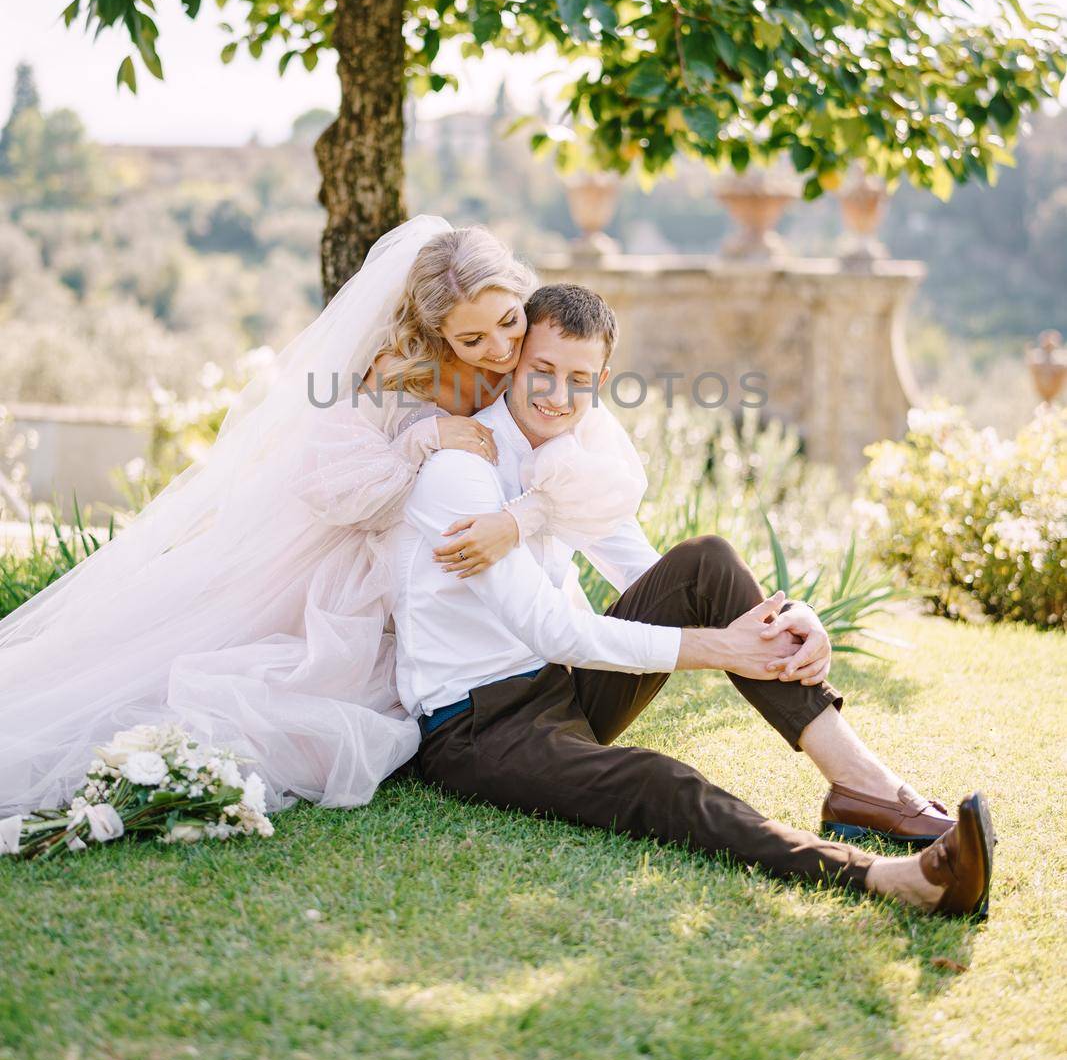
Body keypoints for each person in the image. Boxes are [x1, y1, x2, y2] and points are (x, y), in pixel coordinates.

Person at [385, 283, 995, 919]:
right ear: (514, 362)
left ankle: (861, 784)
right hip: (478, 728)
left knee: (706, 559)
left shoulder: (573, 458)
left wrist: (789, 618)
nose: (559, 397)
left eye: (579, 379)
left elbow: (662, 581)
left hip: (557, 689)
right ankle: (891, 879)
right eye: (541, 371)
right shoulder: (460, 470)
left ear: (602, 378)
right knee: (657, 782)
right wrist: (715, 647)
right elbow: (551, 631)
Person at [0, 217, 643, 819]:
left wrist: (528, 517)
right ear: (438, 331)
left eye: (508, 323)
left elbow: (585, 473)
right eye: (472, 339)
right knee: (275, 674)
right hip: (379, 543)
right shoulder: (400, 371)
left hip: (471, 548)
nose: (501, 349)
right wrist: (422, 439)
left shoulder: (539, 348)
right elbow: (338, 486)